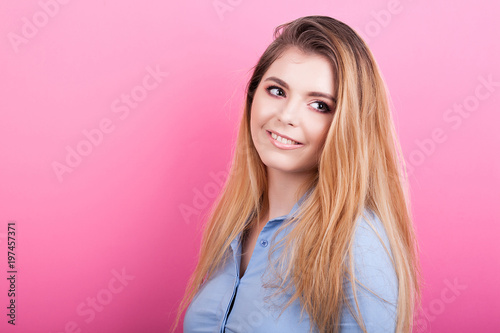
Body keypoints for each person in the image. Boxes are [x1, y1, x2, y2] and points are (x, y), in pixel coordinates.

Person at [172, 15, 421, 333]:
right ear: (253, 96)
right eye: (277, 91)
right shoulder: (236, 223)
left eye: (319, 105)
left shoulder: (357, 244)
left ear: (347, 126)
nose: (286, 116)